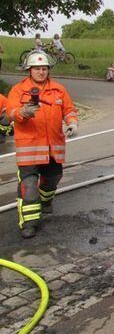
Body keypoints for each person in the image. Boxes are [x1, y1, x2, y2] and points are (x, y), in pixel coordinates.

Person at [7, 51, 78, 238]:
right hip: (29, 147)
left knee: (54, 177)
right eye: (37, 69)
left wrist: (72, 122)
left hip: (53, 147)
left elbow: (69, 109)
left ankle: (45, 202)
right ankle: (29, 223)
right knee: (29, 185)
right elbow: (10, 113)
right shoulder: (18, 90)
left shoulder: (58, 89)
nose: (41, 72)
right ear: (29, 70)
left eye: (44, 68)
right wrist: (23, 112)